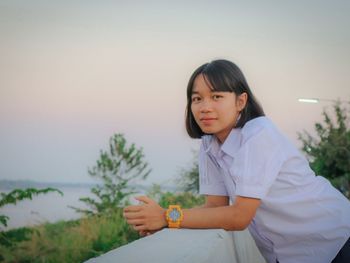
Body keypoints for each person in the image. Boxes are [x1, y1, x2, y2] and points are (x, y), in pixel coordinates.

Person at [123, 59, 350, 263]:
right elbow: (215, 206)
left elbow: (239, 216)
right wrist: (165, 222)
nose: (205, 107)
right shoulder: (209, 145)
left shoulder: (259, 134)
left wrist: (166, 216)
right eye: (196, 98)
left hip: (335, 240)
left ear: (241, 101)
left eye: (217, 96)